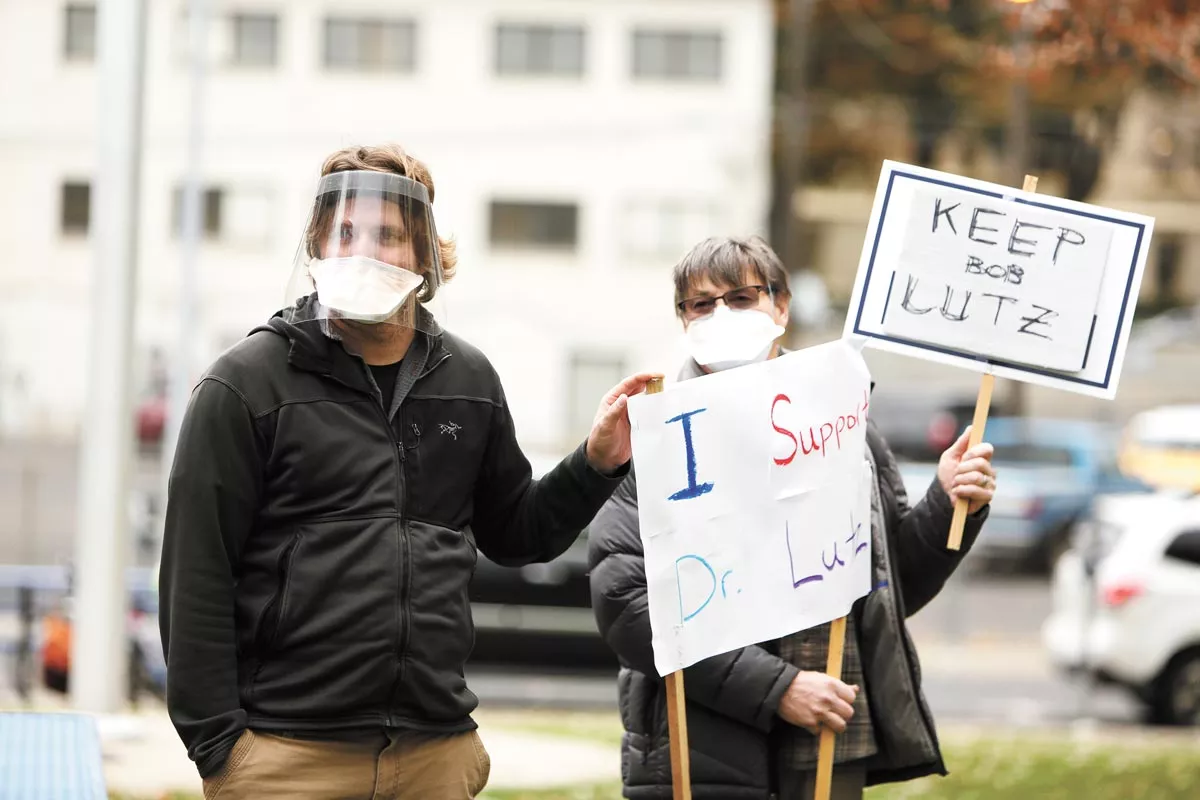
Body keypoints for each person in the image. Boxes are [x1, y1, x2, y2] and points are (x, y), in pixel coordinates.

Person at [158, 143, 658, 800]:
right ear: (316, 248)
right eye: (345, 232)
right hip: (286, 755)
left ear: (424, 255)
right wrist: (219, 747)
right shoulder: (244, 384)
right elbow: (195, 575)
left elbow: (517, 533)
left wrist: (595, 462)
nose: (365, 251)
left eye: (388, 235)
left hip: (432, 754)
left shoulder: (469, 380)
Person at [587, 236, 997, 800]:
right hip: (701, 753)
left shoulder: (844, 428)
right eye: (701, 304)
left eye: (741, 297)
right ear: (683, 320)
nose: (721, 315)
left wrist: (948, 504)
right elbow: (627, 605)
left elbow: (884, 588)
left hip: (830, 742)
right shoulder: (654, 436)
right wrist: (777, 689)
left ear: (781, 308)